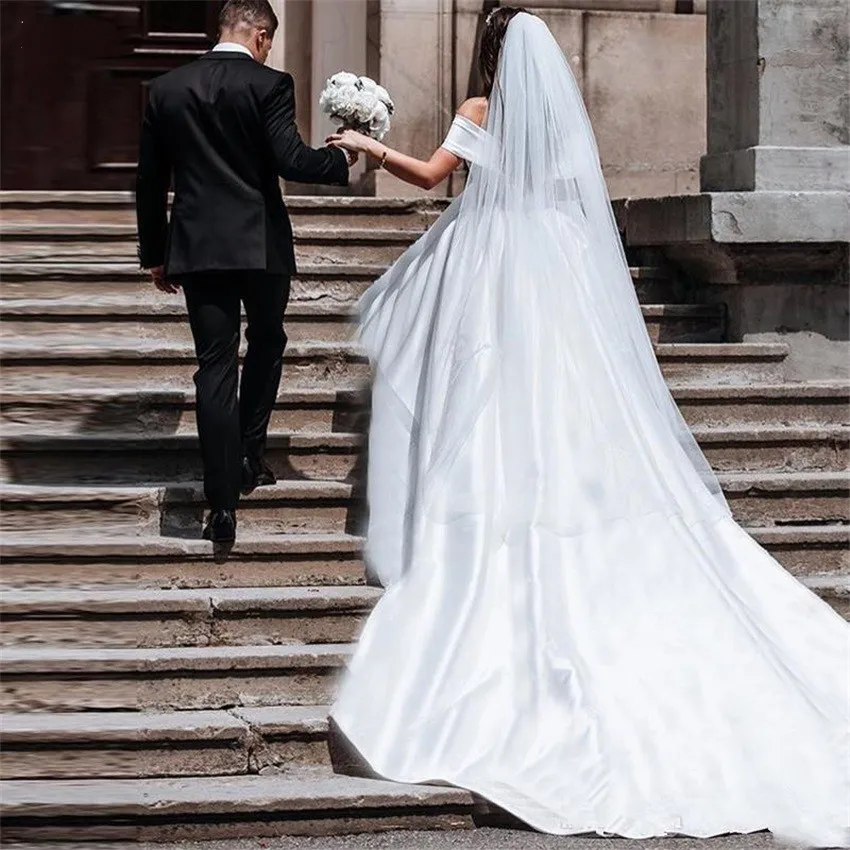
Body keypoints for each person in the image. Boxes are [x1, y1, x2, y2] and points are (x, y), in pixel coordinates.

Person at [325, 8, 850, 844]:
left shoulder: (481, 109)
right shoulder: (559, 126)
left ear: (489, 53)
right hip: (555, 269)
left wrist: (367, 148)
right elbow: (575, 200)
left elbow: (429, 178)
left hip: (492, 264)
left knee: (477, 389)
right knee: (559, 401)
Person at [136, 0, 353, 554]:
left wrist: (156, 254)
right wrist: (346, 157)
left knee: (213, 365)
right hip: (260, 246)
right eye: (268, 42)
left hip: (200, 247)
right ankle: (250, 453)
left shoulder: (166, 89)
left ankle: (221, 504)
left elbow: (150, 180)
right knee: (268, 342)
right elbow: (292, 160)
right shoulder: (270, 84)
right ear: (260, 36)